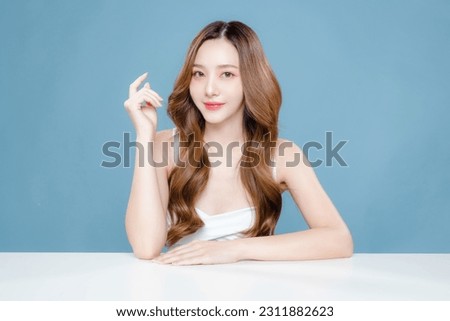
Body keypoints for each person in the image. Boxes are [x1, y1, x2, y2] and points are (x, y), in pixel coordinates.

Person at [123, 21, 353, 265]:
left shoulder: (283, 155)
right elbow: (146, 247)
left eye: (227, 74)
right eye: (199, 74)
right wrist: (144, 136)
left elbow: (339, 239)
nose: (210, 89)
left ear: (251, 80)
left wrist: (233, 250)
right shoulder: (163, 146)